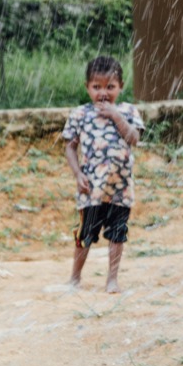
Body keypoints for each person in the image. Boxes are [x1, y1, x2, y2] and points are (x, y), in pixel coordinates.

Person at [63, 56, 145, 293]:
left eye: (110, 87)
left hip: (120, 189)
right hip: (91, 189)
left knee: (117, 234)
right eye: (96, 87)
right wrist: (77, 173)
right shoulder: (80, 114)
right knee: (84, 234)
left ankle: (112, 279)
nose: (103, 93)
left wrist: (115, 115)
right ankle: (75, 277)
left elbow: (134, 138)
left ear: (121, 86)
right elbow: (70, 146)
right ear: (87, 87)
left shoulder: (128, 111)